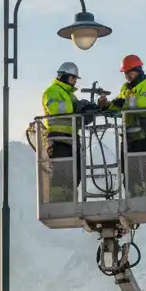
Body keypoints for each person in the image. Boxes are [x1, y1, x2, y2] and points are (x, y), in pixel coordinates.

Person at [97, 54, 146, 196]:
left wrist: (126, 103)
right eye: (125, 73)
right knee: (130, 172)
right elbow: (118, 106)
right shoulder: (125, 88)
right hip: (130, 137)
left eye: (129, 72)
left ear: (138, 70)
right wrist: (106, 105)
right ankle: (134, 197)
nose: (127, 76)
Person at [41, 61, 99, 202]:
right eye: (72, 78)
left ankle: (68, 198)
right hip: (58, 138)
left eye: (75, 78)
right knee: (60, 171)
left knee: (75, 173)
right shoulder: (52, 91)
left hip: (71, 138)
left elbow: (76, 116)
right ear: (64, 76)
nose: (74, 81)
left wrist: (88, 113)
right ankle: (57, 200)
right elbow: (58, 110)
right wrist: (78, 107)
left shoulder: (69, 95)